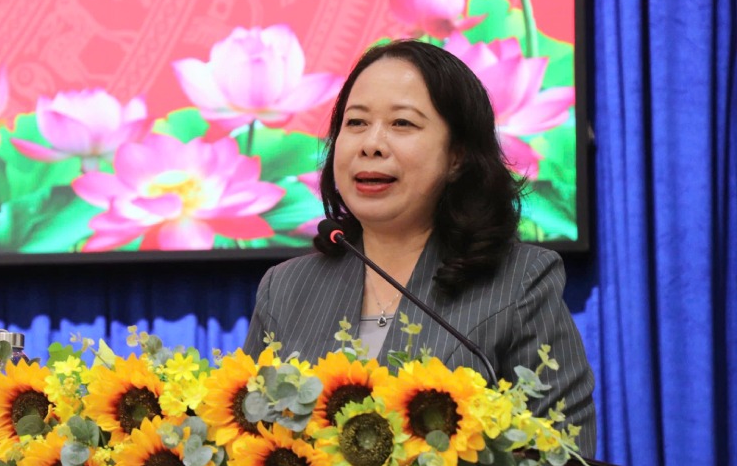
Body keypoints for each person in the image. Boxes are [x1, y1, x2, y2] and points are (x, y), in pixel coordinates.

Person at [243, 39, 596, 457]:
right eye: (355, 123)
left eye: (402, 124)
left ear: (457, 157)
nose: (370, 144)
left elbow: (564, 450)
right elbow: (246, 436)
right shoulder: (285, 290)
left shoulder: (519, 282)